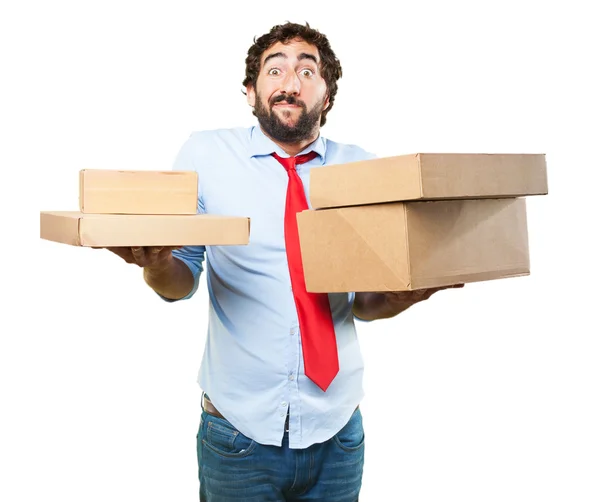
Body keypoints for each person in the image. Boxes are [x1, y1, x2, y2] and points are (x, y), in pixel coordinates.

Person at [105, 21, 462, 502]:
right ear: (251, 91)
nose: (290, 83)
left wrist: (402, 298)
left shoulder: (366, 172)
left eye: (307, 71)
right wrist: (154, 263)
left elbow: (363, 303)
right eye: (275, 70)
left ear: (327, 96)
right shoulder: (206, 154)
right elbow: (180, 281)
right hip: (237, 432)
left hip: (337, 429)